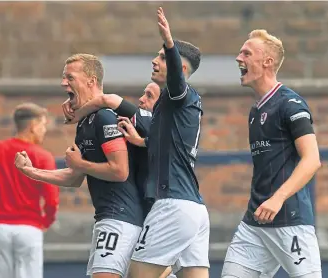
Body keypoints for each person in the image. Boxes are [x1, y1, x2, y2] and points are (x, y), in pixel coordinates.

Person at [15, 54, 144, 278]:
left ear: (91, 81)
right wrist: (31, 171)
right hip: (110, 218)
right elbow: (74, 177)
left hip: (119, 217)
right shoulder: (85, 122)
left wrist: (81, 163)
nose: (63, 83)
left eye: (69, 77)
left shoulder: (105, 117)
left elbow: (119, 170)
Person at [221, 29, 322, 278]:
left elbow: (312, 160)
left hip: (290, 219)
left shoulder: (291, 103)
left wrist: (277, 199)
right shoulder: (255, 112)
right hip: (254, 224)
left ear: (267, 61)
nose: (238, 58)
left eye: (246, 53)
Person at [120, 7, 209, 278]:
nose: (155, 60)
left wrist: (169, 42)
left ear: (180, 69)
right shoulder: (172, 108)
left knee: (137, 274)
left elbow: (176, 82)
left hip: (173, 205)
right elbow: (171, 144)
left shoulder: (179, 93)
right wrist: (142, 140)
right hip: (195, 209)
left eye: (162, 56)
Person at [63, 82, 176, 278]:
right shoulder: (147, 132)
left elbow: (107, 100)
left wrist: (78, 111)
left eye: (149, 96)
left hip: (153, 216)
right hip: (146, 218)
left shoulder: (153, 122)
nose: (141, 99)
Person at [0, 103, 59, 278]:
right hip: (29, 228)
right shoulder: (43, 157)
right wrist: (45, 221)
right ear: (33, 126)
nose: (44, 130)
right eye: (43, 125)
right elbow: (52, 198)